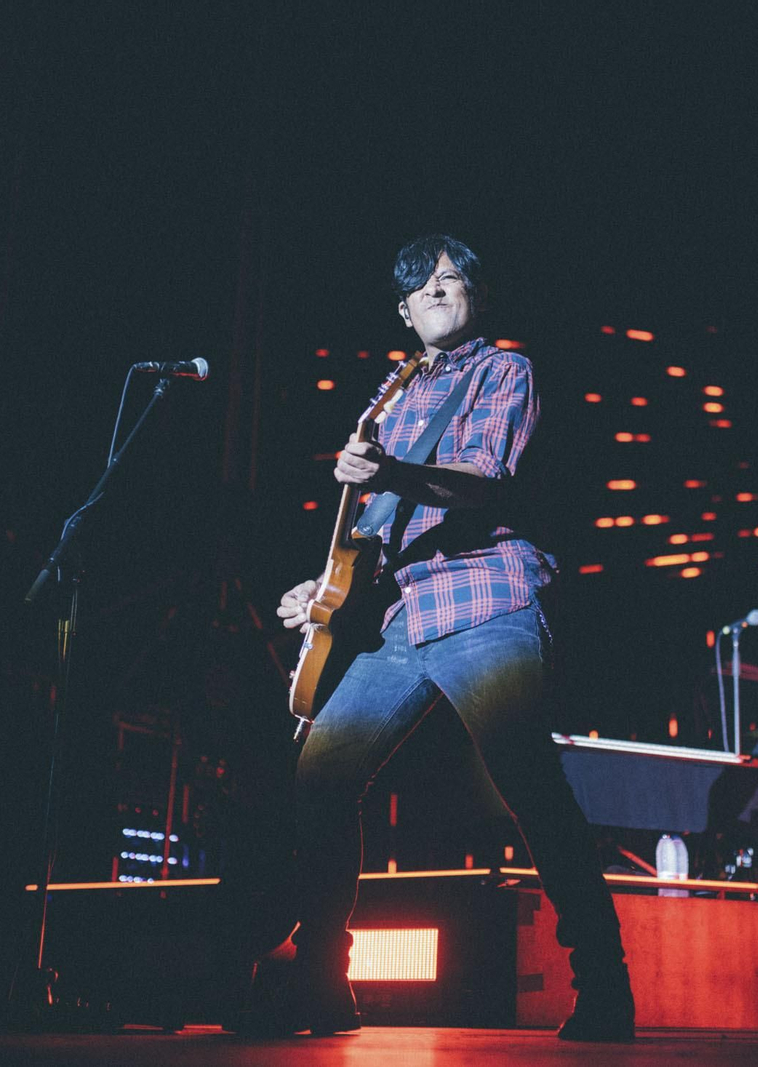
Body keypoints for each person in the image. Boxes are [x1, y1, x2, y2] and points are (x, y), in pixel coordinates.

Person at [265, 235, 634, 1041]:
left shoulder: (503, 370)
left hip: (485, 597)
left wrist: (389, 473)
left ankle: (604, 983)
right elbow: (372, 528)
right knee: (319, 781)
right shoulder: (392, 398)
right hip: (397, 616)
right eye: (421, 286)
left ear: (476, 297)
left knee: (529, 784)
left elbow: (484, 477)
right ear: (403, 312)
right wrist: (322, 589)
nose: (439, 289)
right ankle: (323, 981)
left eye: (453, 279)